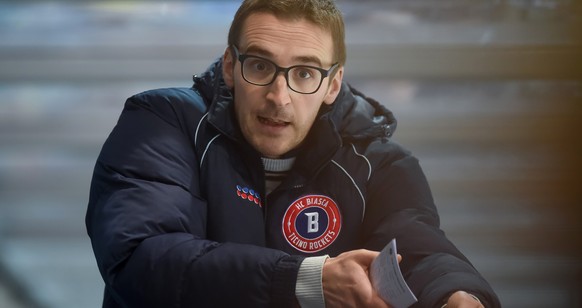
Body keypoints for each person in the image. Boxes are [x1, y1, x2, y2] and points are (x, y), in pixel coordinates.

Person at [86, 0, 500, 307]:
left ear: (333, 85)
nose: (278, 97)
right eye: (261, 66)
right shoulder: (164, 121)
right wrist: (305, 280)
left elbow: (420, 249)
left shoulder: (380, 164)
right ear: (230, 66)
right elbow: (138, 256)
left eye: (304, 73)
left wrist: (457, 293)